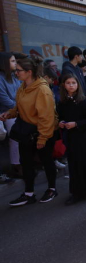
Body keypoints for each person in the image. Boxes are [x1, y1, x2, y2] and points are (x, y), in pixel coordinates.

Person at [0, 55, 58, 206]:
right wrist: (10, 113)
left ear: (29, 72)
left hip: (41, 132)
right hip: (26, 131)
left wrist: (42, 138)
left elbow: (47, 116)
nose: (16, 73)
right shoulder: (23, 87)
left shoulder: (42, 90)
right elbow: (20, 106)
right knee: (26, 163)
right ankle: (28, 193)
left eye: (19, 70)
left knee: (46, 160)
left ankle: (52, 189)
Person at [57, 73, 86, 204]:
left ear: (78, 85)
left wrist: (76, 124)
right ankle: (77, 191)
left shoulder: (83, 101)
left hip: (83, 137)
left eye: (73, 83)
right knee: (74, 165)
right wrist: (61, 122)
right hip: (70, 138)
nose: (71, 85)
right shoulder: (62, 102)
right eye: (68, 83)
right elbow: (60, 117)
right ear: (64, 85)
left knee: (85, 163)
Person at [0, 52, 22, 178]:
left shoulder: (14, 77)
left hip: (16, 110)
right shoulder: (1, 78)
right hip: (5, 112)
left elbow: (21, 93)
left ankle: (23, 162)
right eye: (13, 61)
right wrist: (18, 107)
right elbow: (3, 99)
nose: (15, 63)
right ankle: (16, 164)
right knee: (15, 135)